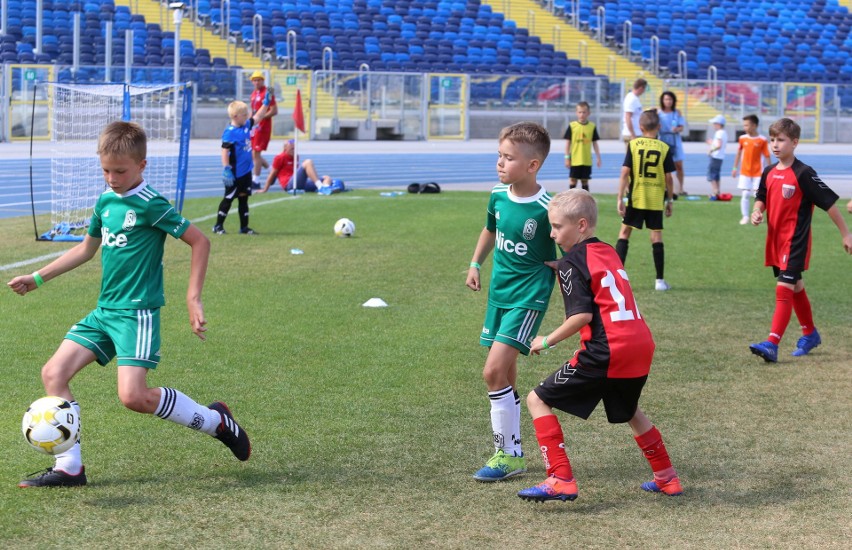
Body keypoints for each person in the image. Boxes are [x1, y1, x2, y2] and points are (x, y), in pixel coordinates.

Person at [6, 121, 250, 488]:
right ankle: (70, 467)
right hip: (105, 311)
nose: (111, 178)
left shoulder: (153, 205)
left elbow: (200, 241)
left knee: (133, 396)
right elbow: (87, 249)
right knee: (53, 374)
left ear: (142, 165)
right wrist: (38, 277)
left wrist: (192, 296)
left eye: (120, 171)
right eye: (105, 170)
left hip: (137, 314)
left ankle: (215, 421)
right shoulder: (105, 202)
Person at [516, 189, 682, 502]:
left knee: (537, 398)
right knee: (630, 410)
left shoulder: (570, 264)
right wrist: (559, 264)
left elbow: (580, 316)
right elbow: (596, 277)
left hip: (608, 351)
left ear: (580, 225)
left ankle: (560, 478)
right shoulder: (607, 250)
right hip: (641, 344)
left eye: (557, 227)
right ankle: (667, 477)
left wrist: (545, 341)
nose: (552, 234)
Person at [465, 122, 557, 482]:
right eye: (499, 156)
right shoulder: (498, 195)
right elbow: (491, 229)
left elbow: (569, 251)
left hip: (527, 297)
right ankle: (513, 452)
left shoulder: (548, 207)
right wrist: (475, 264)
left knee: (492, 372)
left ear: (533, 165)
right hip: (498, 295)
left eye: (508, 158)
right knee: (505, 373)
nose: (500, 164)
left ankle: (506, 453)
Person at [748, 118, 852, 363]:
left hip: (795, 242)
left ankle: (772, 343)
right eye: (772, 139)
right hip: (775, 240)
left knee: (783, 289)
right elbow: (761, 195)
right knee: (795, 288)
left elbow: (830, 205)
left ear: (794, 143)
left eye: (781, 140)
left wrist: (846, 233)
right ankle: (810, 333)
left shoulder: (804, 173)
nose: (775, 144)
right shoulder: (769, 172)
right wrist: (757, 210)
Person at [615, 109, 675, 291]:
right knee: (656, 236)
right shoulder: (664, 148)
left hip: (636, 196)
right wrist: (670, 199)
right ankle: (659, 281)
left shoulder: (633, 145)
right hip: (656, 199)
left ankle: (617, 279)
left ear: (640, 127)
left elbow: (625, 172)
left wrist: (619, 198)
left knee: (624, 233)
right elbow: (669, 178)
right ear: (658, 126)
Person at [213, 99, 269, 235]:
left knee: (244, 199)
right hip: (234, 173)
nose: (247, 116)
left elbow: (259, 116)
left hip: (246, 173)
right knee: (228, 198)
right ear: (235, 116)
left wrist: (266, 102)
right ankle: (218, 226)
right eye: (244, 114)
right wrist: (226, 168)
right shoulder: (229, 132)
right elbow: (225, 151)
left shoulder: (246, 126)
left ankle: (244, 228)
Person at [732, 114, 771, 225]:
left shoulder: (762, 140)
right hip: (745, 172)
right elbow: (739, 153)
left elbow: (767, 156)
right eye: (744, 125)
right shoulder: (742, 138)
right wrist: (735, 168)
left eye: (746, 125)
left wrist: (770, 172)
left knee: (758, 195)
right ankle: (745, 216)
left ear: (754, 126)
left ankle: (758, 215)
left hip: (758, 173)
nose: (744, 127)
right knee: (745, 194)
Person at [257, 139, 332, 194]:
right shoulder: (280, 157)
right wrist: (265, 189)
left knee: (327, 178)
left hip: (298, 183)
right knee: (308, 162)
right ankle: (320, 187)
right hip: (289, 185)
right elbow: (272, 174)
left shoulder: (296, 156)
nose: (294, 150)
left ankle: (323, 190)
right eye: (291, 148)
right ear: (285, 148)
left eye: (295, 148)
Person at [249, 71, 278, 190]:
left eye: (258, 80)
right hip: (255, 126)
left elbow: (274, 111)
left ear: (263, 80)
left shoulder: (268, 92)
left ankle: (255, 180)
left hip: (263, 127)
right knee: (252, 153)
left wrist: (261, 117)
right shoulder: (253, 93)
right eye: (254, 80)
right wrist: (250, 122)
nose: (256, 82)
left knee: (256, 152)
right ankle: (272, 170)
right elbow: (253, 110)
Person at [563, 101, 601, 191]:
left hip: (586, 160)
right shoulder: (572, 126)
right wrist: (567, 157)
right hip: (575, 160)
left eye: (584, 112)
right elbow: (568, 143)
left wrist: (598, 157)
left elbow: (595, 143)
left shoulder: (592, 126)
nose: (582, 114)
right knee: (573, 181)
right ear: (576, 113)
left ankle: (586, 202)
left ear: (588, 113)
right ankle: (571, 201)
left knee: (585, 182)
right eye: (580, 112)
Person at [658, 91, 687, 198]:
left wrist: (677, 129)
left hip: (675, 140)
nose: (668, 101)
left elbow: (682, 126)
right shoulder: (658, 113)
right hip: (663, 140)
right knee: (663, 166)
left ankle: (681, 188)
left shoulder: (677, 113)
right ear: (662, 100)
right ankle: (665, 187)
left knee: (679, 165)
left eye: (670, 99)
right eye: (666, 99)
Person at [621, 78, 648, 147]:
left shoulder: (635, 98)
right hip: (632, 134)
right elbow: (628, 117)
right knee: (632, 157)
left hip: (637, 133)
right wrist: (632, 134)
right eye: (644, 89)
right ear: (641, 88)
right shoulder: (631, 99)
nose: (644, 91)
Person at [706, 114, 728, 199]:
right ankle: (717, 192)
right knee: (716, 174)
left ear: (718, 124)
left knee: (712, 175)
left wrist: (711, 150)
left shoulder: (719, 133)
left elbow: (719, 145)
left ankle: (715, 192)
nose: (713, 125)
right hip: (720, 157)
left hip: (715, 156)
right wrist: (712, 143)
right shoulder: (724, 133)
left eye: (715, 123)